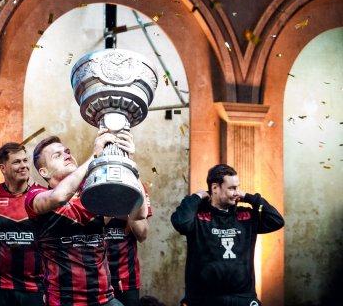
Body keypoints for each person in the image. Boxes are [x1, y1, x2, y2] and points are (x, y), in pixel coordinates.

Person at [25, 130, 148, 306]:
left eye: (67, 151)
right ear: (44, 171)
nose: (67, 155)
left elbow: (138, 213)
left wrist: (128, 163)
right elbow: (59, 197)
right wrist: (94, 157)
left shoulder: (92, 192)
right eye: (57, 155)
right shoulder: (35, 195)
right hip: (64, 301)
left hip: (105, 299)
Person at [170, 163, 285, 306]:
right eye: (231, 188)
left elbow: (276, 221)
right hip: (203, 299)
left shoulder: (246, 215)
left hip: (243, 298)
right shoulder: (198, 216)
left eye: (237, 187)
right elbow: (181, 222)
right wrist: (197, 197)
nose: (237, 192)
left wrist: (249, 197)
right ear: (215, 188)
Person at [0, 142, 44, 306]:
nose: (24, 165)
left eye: (25, 160)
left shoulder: (43, 196)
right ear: (3, 168)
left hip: (34, 288)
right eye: (16, 162)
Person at [105, 186, 152, 306]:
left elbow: (142, 235)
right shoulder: (90, 184)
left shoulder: (136, 185)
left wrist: (130, 209)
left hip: (127, 277)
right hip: (94, 277)